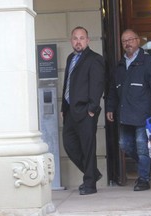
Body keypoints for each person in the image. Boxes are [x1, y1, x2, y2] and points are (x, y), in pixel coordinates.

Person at [106, 29, 151, 191]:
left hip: (143, 114)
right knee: (124, 144)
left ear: (138, 41)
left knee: (141, 146)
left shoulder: (148, 62)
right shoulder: (119, 66)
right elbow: (112, 89)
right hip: (124, 113)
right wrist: (110, 107)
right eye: (124, 41)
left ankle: (143, 179)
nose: (127, 43)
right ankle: (147, 163)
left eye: (130, 39)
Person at [61, 26, 105, 195]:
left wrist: (92, 109)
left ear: (88, 40)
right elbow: (67, 84)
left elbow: (97, 85)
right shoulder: (70, 58)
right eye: (75, 38)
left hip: (86, 110)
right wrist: (63, 108)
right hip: (70, 111)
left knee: (87, 148)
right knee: (69, 144)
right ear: (71, 41)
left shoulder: (95, 59)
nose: (78, 41)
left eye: (81, 38)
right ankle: (92, 174)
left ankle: (90, 184)